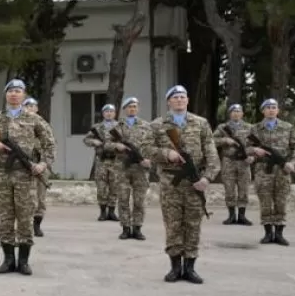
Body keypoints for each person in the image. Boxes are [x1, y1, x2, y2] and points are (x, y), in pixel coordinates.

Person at [141, 85, 220, 284]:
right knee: (173, 225)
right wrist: (166, 154)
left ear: (188, 100)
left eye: (182, 96)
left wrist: (207, 178)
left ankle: (190, 268)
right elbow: (145, 148)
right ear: (169, 102)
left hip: (195, 184)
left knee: (193, 226)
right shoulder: (157, 125)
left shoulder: (201, 124)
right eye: (175, 97)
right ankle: (175, 268)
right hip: (170, 184)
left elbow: (212, 154)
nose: (179, 100)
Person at [0, 79, 55, 275]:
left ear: (24, 95)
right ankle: (8, 259)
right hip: (2, 174)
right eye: (10, 91)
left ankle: (24, 261)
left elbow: (50, 144)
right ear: (5, 95)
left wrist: (42, 164)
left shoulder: (34, 119)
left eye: (18, 91)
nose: (14, 94)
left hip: (25, 175)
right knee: (5, 217)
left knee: (25, 217)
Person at [247, 98, 295, 246]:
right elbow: (244, 148)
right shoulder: (255, 129)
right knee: (265, 201)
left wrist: (292, 163)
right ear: (263, 111)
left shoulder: (288, 127)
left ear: (278, 110)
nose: (271, 109)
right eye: (268, 107)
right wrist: (253, 150)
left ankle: (279, 234)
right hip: (263, 170)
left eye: (274, 107)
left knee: (281, 202)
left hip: (282, 170)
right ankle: (267, 233)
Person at [112, 97, 152, 241]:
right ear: (124, 109)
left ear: (138, 109)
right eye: (129, 107)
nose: (132, 109)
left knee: (139, 200)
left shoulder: (146, 126)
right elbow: (106, 144)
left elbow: (152, 145)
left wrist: (148, 160)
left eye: (134, 106)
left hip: (141, 168)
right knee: (123, 199)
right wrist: (116, 146)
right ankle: (125, 228)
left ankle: (137, 228)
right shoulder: (117, 127)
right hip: (122, 167)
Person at [216, 103, 254, 226]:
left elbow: (257, 144)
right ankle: (231, 215)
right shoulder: (223, 127)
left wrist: (253, 156)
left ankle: (242, 216)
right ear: (230, 113)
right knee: (229, 188)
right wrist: (224, 140)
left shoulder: (250, 127)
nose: (236, 113)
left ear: (242, 114)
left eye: (238, 111)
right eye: (233, 111)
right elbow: (211, 140)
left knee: (244, 188)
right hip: (228, 161)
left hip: (244, 161)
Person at [83, 103, 120, 222]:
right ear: (103, 113)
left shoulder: (120, 126)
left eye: (111, 111)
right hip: (102, 161)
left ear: (115, 113)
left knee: (114, 186)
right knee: (101, 187)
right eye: (106, 111)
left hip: (115, 160)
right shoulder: (97, 127)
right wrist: (94, 141)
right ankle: (103, 212)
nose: (109, 113)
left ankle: (112, 212)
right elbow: (86, 139)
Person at [22, 97, 53, 237]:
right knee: (23, 197)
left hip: (40, 165)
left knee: (40, 198)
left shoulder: (43, 124)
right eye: (27, 105)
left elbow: (51, 146)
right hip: (23, 166)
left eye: (33, 105)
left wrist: (44, 163)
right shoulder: (18, 123)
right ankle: (23, 225)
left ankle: (37, 225)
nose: (30, 108)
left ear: (37, 108)